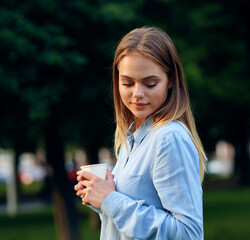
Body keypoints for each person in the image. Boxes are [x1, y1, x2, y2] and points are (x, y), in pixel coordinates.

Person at [74, 26, 207, 240]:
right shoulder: (133, 136)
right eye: (127, 83)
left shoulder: (168, 138)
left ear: (170, 80)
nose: (137, 94)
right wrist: (101, 197)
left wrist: (111, 200)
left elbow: (188, 233)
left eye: (150, 83)